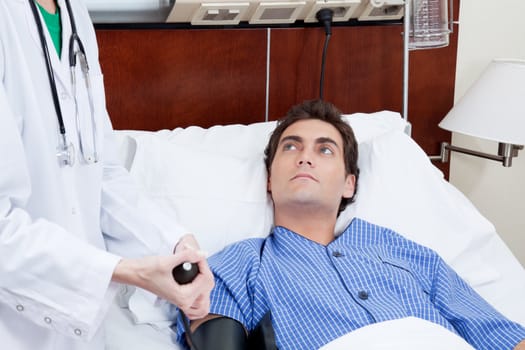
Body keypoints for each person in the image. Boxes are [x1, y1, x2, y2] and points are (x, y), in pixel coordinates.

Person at [177, 100, 525, 349]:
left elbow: (494, 332)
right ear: (270, 179)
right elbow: (211, 333)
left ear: (349, 184)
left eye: (325, 150)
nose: (306, 156)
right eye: (291, 146)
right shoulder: (241, 263)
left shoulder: (401, 249)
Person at [0, 1, 213, 349]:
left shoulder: (74, 16)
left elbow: (101, 173)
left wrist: (176, 245)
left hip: (79, 331)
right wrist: (126, 272)